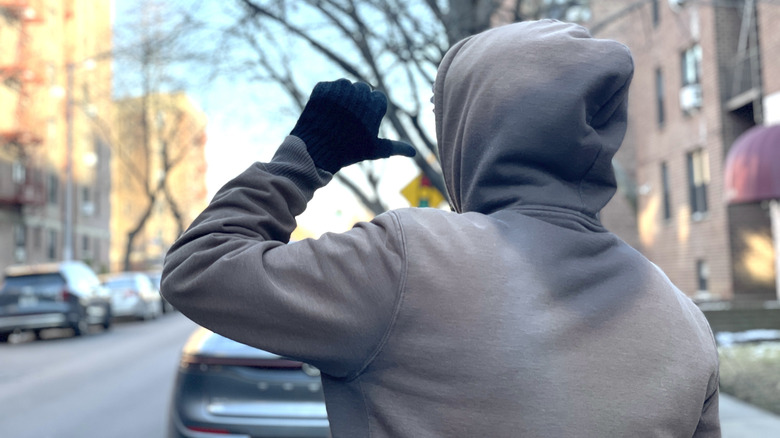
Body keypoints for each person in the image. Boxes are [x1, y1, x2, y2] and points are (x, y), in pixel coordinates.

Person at [162, 19, 720, 437]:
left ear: (474, 129)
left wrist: (305, 159)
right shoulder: (683, 319)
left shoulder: (410, 261)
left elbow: (198, 269)